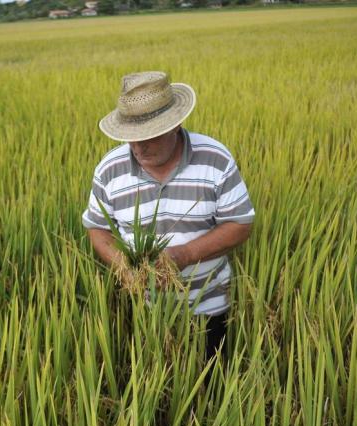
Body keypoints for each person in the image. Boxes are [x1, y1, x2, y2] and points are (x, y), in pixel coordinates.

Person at [82, 71, 255, 362]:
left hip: (209, 308)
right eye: (130, 138)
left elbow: (240, 223)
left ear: (176, 124)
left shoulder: (215, 159)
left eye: (149, 136)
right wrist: (122, 265)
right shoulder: (109, 169)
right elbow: (98, 228)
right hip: (143, 311)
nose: (138, 148)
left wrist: (185, 254)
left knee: (211, 390)